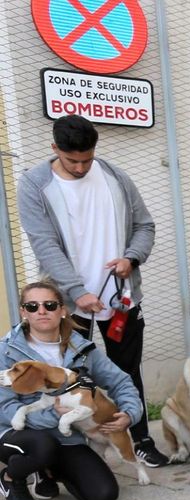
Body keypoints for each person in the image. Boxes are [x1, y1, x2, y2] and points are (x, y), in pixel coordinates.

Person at [17, 115, 166, 467]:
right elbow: (44, 244)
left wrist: (131, 258)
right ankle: (73, 451)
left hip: (120, 298)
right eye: (73, 160)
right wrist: (76, 290)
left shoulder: (115, 176)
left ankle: (140, 439)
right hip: (67, 304)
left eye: (87, 159)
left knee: (127, 371)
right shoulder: (34, 185)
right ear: (54, 148)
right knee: (66, 377)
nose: (82, 167)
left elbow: (144, 226)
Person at [0, 280, 142, 500]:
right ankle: (11, 479)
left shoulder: (82, 348)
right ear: (23, 312)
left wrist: (129, 412)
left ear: (63, 310)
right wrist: (52, 415)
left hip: (66, 435)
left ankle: (47, 471)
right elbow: (3, 408)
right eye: (33, 306)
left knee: (103, 493)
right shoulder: (5, 350)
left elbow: (121, 381)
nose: (42, 311)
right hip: (15, 432)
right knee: (42, 445)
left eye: (50, 305)